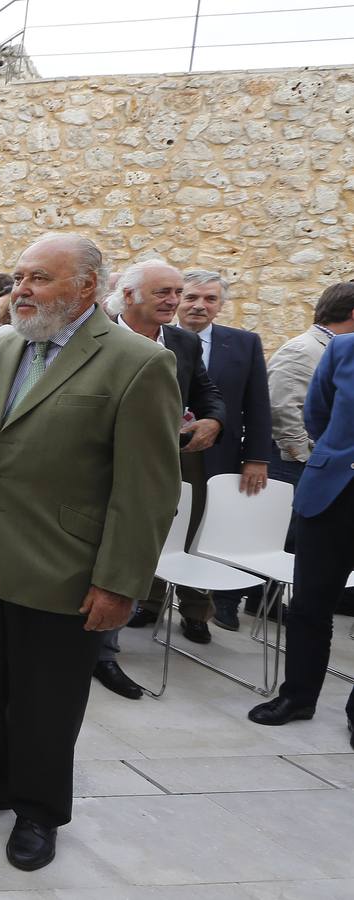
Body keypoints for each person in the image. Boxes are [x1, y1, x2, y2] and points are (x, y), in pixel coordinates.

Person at [0, 233, 181, 871]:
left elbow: (147, 488)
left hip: (67, 566)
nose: (22, 291)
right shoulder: (5, 345)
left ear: (87, 286)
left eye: (39, 278)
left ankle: (38, 811)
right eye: (18, 278)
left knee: (47, 700)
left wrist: (120, 583)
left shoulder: (136, 362)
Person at [96, 259, 224, 694]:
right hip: (96, 470)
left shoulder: (183, 343)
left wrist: (214, 421)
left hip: (152, 473)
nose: (174, 301)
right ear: (128, 296)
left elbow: (207, 393)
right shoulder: (95, 333)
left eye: (176, 291)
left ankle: (104, 655)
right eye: (163, 293)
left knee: (130, 553)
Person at [248, 330, 354, 741]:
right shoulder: (343, 349)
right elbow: (317, 413)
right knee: (309, 605)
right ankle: (298, 696)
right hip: (332, 493)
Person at [174, 270, 273, 631]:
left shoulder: (243, 344)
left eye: (210, 299)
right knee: (159, 524)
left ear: (220, 305)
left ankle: (196, 610)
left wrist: (257, 458)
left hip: (216, 455)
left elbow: (258, 404)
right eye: (191, 297)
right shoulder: (157, 338)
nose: (199, 306)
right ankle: (150, 601)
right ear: (177, 300)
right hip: (164, 452)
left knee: (200, 532)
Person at [269, 283, 354, 487]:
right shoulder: (302, 350)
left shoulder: (335, 350)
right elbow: (282, 408)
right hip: (295, 468)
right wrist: (310, 458)